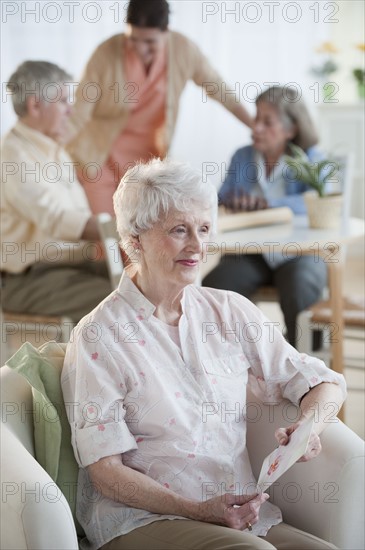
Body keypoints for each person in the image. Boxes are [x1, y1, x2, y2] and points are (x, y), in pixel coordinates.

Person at [61, 158, 345, 550]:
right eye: (179, 230)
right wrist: (199, 510)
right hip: (141, 521)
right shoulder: (98, 336)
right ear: (135, 238)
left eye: (204, 229)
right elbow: (106, 473)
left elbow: (322, 381)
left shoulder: (229, 310)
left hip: (241, 515)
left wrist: (312, 425)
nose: (197, 246)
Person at [65, 0, 253, 215]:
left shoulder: (183, 50)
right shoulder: (106, 53)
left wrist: (255, 126)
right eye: (133, 39)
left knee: (141, 233)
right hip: (100, 158)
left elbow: (220, 91)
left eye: (150, 42)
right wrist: (46, 150)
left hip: (149, 163)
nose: (139, 48)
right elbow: (78, 112)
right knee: (106, 235)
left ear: (166, 32)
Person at [202, 86, 328, 348]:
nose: (255, 127)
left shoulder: (310, 158)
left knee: (300, 286)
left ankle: (307, 362)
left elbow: (319, 203)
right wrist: (234, 201)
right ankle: (232, 362)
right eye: (256, 117)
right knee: (216, 284)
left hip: (300, 254)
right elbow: (220, 197)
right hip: (252, 254)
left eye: (266, 121)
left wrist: (269, 205)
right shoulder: (243, 156)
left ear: (291, 129)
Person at [1, 60, 112, 322]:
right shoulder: (12, 156)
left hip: (73, 268)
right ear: (35, 105)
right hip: (29, 279)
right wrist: (122, 228)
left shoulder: (56, 150)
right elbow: (55, 218)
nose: (70, 111)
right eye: (63, 100)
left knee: (153, 287)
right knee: (125, 303)